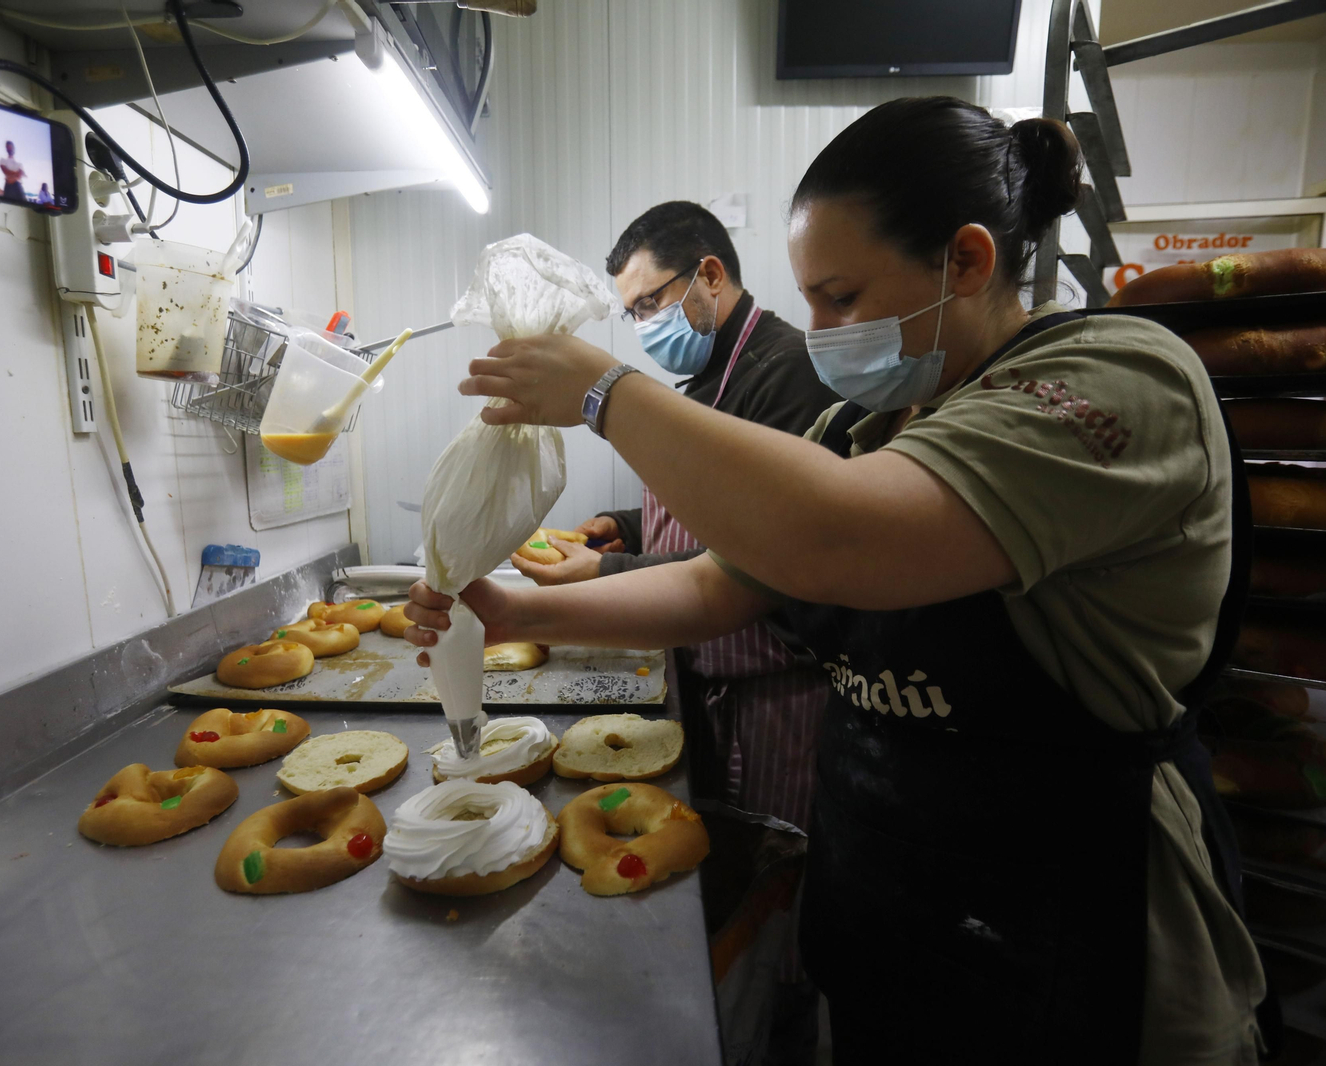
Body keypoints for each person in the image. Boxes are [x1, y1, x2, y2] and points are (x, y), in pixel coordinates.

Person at [407, 96, 1265, 1065]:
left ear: (968, 261)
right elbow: (709, 588)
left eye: (842, 297)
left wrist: (606, 393)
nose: (816, 331)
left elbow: (837, 538)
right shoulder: (864, 428)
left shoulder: (1116, 379)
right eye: (809, 298)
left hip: (1074, 931)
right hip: (896, 916)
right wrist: (518, 607)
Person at [515, 201, 839, 836]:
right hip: (710, 677)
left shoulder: (789, 373)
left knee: (769, 863)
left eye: (648, 304)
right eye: (631, 311)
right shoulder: (708, 379)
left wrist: (607, 570)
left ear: (710, 275)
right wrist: (627, 527)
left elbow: (756, 550)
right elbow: (711, 504)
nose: (641, 325)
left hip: (771, 694)